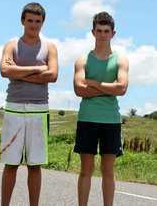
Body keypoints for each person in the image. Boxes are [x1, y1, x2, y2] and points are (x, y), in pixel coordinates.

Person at [0, 2, 58, 206]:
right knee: (11, 163)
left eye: (38, 21)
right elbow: (5, 71)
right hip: (14, 107)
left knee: (35, 165)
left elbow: (53, 75)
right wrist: (37, 69)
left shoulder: (49, 46)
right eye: (30, 20)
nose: (34, 25)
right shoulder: (12, 44)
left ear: (43, 22)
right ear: (22, 21)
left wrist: (19, 72)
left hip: (39, 110)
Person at [73, 11, 129, 206]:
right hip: (87, 119)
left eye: (107, 31)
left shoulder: (120, 60)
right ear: (93, 32)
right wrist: (108, 89)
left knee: (108, 171)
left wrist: (94, 84)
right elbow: (79, 89)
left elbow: (121, 88)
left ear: (113, 33)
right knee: (85, 170)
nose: (103, 34)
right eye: (99, 31)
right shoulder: (83, 60)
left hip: (111, 121)